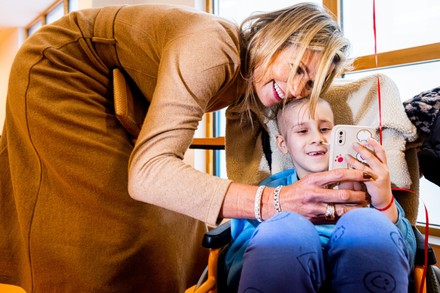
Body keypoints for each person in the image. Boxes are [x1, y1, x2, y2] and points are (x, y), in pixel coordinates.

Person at [0, 3, 373, 292]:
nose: (296, 89)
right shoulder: (211, 48)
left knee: (180, 224)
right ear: (279, 37)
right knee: (114, 235)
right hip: (60, 70)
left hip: (116, 93)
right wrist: (275, 201)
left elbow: (246, 164)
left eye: (309, 86)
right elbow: (148, 175)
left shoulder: (253, 76)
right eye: (299, 69)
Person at [225, 98, 416, 292]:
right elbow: (239, 258)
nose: (318, 138)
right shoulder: (270, 191)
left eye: (325, 129)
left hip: (359, 274)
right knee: (285, 228)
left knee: (367, 222)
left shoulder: (370, 186)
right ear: (283, 144)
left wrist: (384, 202)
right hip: (288, 273)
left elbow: (407, 254)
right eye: (302, 131)